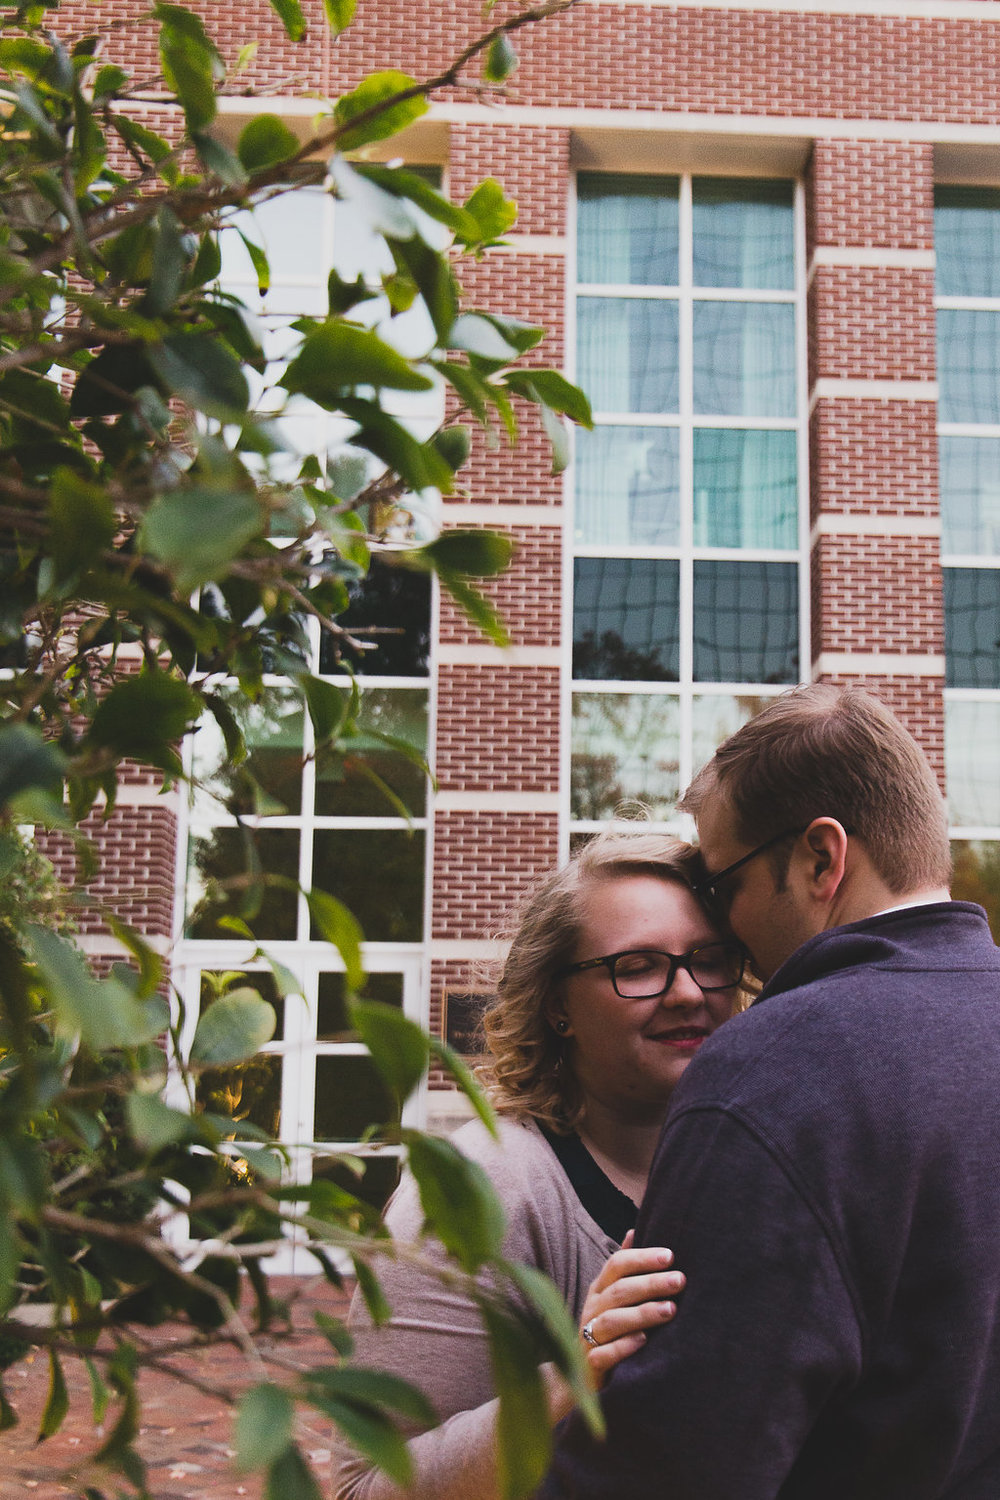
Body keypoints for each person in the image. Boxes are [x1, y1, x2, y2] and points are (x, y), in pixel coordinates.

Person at [541, 683, 1000, 1500]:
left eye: (722, 887)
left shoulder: (775, 1068)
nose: (724, 932)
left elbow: (673, 1465)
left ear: (821, 858)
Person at [332, 827, 749, 1500]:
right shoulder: (480, 1186)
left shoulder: (753, 1166)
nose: (687, 992)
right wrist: (575, 1375)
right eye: (637, 965)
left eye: (709, 957)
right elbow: (368, 1486)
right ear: (557, 1005)